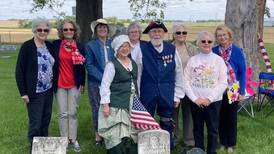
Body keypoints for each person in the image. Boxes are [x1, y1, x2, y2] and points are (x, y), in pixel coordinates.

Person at [137, 20, 185, 149]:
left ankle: (165, 147)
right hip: (147, 90)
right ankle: (147, 147)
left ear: (164, 33)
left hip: (167, 91)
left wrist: (178, 95)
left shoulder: (171, 49)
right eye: (154, 31)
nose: (157, 34)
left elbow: (179, 72)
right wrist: (138, 94)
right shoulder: (142, 49)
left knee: (167, 120)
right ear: (149, 34)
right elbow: (138, 74)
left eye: (159, 31)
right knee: (146, 120)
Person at [15, 18, 57, 150]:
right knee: (36, 122)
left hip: (48, 90)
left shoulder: (49, 46)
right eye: (40, 29)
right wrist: (23, 92)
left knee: (45, 119)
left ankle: (43, 147)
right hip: (34, 92)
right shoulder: (27, 47)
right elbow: (19, 70)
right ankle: (34, 148)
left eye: (45, 30)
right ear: (34, 30)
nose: (42, 32)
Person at [183, 31, 227, 154]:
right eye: (203, 41)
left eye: (209, 41)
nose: (206, 43)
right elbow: (186, 81)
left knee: (213, 129)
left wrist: (209, 99)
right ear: (198, 43)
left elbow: (223, 82)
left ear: (213, 43)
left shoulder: (218, 60)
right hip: (195, 101)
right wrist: (195, 98)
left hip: (213, 101)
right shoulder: (192, 60)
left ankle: (211, 151)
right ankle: (199, 150)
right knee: (197, 128)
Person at [98, 35, 138, 154]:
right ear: (117, 49)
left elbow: (136, 83)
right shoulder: (112, 65)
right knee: (116, 134)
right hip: (116, 104)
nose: (125, 49)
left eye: (127, 46)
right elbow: (105, 85)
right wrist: (105, 105)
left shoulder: (133, 63)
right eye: (122, 46)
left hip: (131, 103)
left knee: (130, 133)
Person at [52, 20, 85, 152]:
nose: (68, 32)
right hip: (59, 84)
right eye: (65, 29)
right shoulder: (55, 45)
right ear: (61, 31)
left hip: (74, 84)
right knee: (62, 113)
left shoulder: (80, 46)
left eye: (71, 29)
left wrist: (82, 83)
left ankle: (73, 138)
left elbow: (82, 67)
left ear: (75, 31)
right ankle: (64, 139)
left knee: (72, 113)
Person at [212, 25, 246, 153]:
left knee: (231, 117)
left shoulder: (237, 51)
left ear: (229, 35)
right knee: (220, 116)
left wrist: (242, 92)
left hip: (233, 88)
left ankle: (231, 144)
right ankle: (222, 142)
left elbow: (242, 72)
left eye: (224, 35)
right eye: (219, 35)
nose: (222, 37)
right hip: (218, 88)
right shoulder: (214, 51)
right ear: (217, 38)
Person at [85, 18, 115, 146]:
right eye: (99, 27)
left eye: (104, 27)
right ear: (96, 30)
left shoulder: (113, 44)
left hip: (113, 82)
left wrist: (112, 78)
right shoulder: (90, 45)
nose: (102, 29)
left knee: (111, 107)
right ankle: (98, 136)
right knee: (97, 108)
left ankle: (110, 133)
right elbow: (89, 65)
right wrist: (104, 79)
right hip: (95, 82)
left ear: (108, 30)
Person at [171, 23, 198, 149]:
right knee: (172, 113)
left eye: (184, 33)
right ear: (173, 34)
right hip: (173, 86)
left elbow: (198, 66)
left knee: (189, 114)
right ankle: (173, 138)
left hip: (189, 86)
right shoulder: (168, 48)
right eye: (178, 32)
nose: (181, 35)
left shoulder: (192, 48)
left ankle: (189, 141)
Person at [127, 22, 146, 86]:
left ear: (139, 33)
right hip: (128, 79)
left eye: (136, 32)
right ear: (128, 34)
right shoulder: (124, 46)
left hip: (144, 77)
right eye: (131, 32)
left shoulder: (146, 45)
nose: (134, 34)